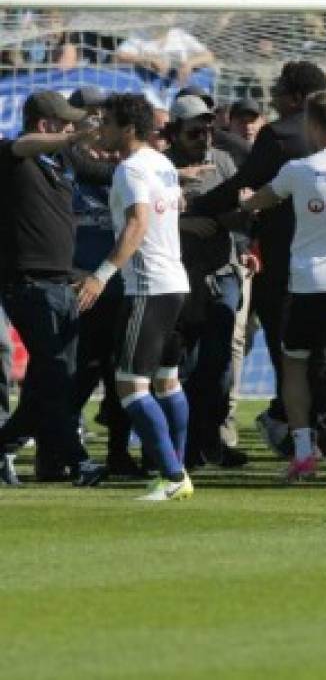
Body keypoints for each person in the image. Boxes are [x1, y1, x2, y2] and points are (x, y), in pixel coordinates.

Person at [238, 90, 326, 487]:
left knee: (295, 367)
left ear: (312, 124)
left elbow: (259, 201)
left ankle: (304, 454)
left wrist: (247, 200)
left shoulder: (299, 170)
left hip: (307, 287)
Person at [78, 94, 192, 502]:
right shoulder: (162, 163)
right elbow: (176, 204)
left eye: (106, 122)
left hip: (148, 286)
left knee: (130, 386)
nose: (101, 129)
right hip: (177, 282)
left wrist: (100, 276)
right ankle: (178, 467)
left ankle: (173, 474)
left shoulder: (129, 169)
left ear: (128, 128)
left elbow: (137, 223)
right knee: (167, 380)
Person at [0, 93, 107, 486]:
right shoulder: (14, 154)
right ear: (45, 125)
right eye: (64, 123)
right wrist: (73, 138)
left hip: (62, 283)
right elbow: (22, 144)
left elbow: (108, 173)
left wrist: (164, 173)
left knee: (52, 377)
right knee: (57, 374)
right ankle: (77, 460)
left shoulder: (63, 160)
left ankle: (4, 445)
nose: (70, 128)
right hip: (27, 283)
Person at [162, 96, 246, 469]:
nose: (204, 137)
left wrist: (241, 221)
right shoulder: (161, 166)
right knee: (183, 366)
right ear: (175, 133)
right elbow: (140, 218)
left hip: (222, 273)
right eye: (195, 131)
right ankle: (182, 446)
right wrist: (184, 224)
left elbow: (240, 208)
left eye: (209, 129)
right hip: (179, 278)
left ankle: (211, 440)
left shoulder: (224, 161)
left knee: (219, 365)